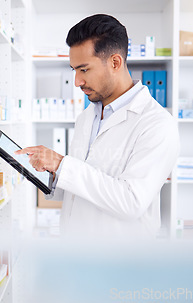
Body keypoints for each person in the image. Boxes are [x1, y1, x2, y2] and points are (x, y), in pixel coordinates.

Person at [15, 14, 179, 239]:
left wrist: (62, 164)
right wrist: (50, 174)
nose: (77, 82)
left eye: (84, 70)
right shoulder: (86, 117)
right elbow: (83, 188)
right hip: (76, 254)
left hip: (119, 262)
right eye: (74, 71)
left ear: (115, 62)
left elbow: (131, 202)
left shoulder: (156, 124)